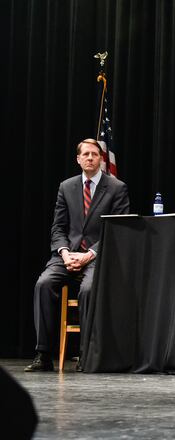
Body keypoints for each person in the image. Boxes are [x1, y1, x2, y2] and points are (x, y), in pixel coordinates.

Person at [26, 139, 130, 372]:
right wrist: (64, 253)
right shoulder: (67, 186)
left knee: (88, 289)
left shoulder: (116, 188)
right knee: (43, 284)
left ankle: (86, 354)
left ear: (102, 159)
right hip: (67, 255)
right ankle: (43, 354)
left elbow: (118, 231)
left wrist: (89, 254)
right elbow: (58, 227)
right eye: (86, 154)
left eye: (95, 154)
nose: (90, 158)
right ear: (78, 159)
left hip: (97, 256)